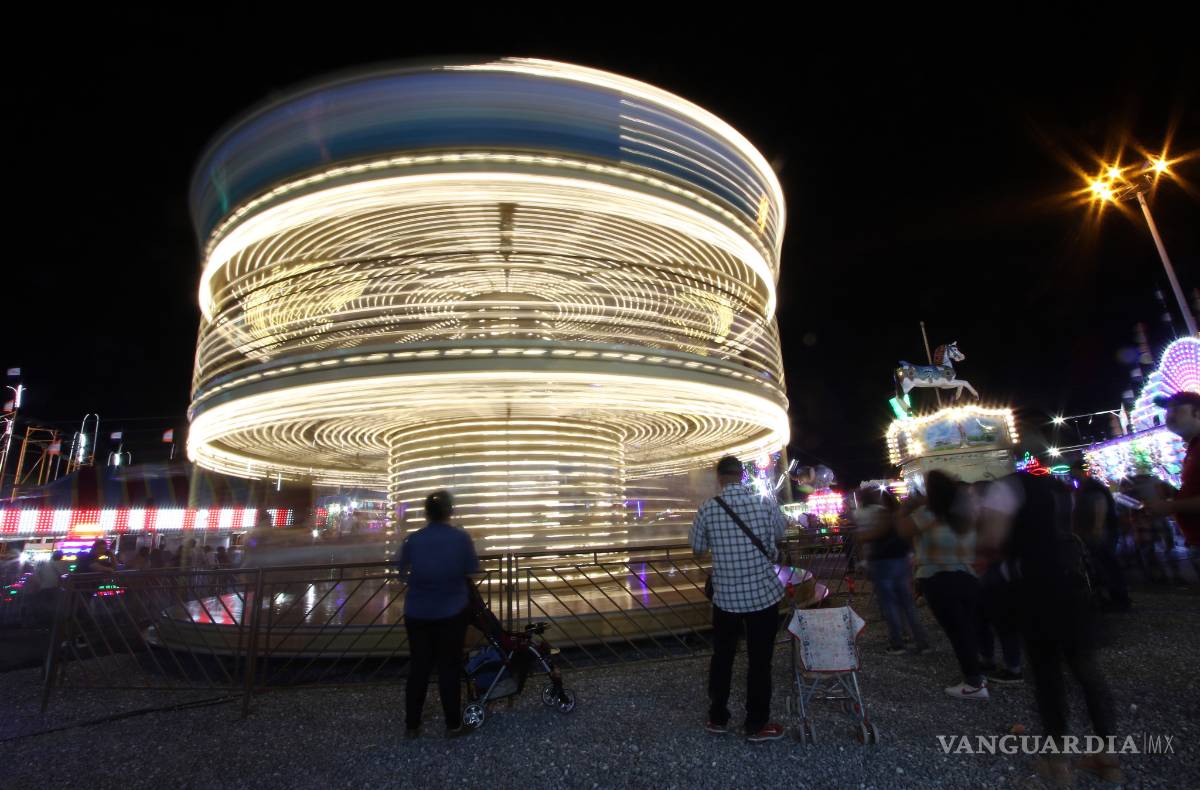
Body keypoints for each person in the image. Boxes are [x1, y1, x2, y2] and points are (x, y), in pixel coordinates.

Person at [980, 472, 1121, 786]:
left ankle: (1057, 762)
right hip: (1074, 585)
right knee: (1087, 672)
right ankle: (1107, 756)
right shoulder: (1059, 487)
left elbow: (991, 539)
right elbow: (1084, 530)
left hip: (1035, 589)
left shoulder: (1005, 488)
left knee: (1047, 675)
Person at [689, 455, 788, 742]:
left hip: (726, 599)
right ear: (742, 475)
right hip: (762, 596)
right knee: (760, 661)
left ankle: (718, 717)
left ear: (719, 477)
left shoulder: (708, 508)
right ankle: (756, 724)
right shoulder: (764, 503)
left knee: (722, 658)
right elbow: (780, 531)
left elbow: (697, 547)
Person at [396, 490, 480, 739]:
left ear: (426, 513)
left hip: (417, 612)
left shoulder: (413, 540)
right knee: (449, 668)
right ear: (450, 511)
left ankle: (412, 725)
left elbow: (401, 572)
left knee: (419, 668)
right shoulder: (460, 538)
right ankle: (453, 725)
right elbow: (472, 568)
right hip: (451, 612)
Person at [900, 470, 986, 700]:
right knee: (967, 627)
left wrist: (911, 505)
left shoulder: (928, 514)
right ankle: (977, 673)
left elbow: (903, 530)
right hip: (967, 575)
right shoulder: (964, 513)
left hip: (938, 576)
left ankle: (974, 682)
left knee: (957, 631)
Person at [855, 487, 929, 655]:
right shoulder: (900, 515)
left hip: (883, 561)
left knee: (889, 603)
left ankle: (898, 642)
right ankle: (921, 641)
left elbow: (873, 534)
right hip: (900, 559)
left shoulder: (882, 515)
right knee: (907, 602)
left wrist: (863, 539)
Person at [1146, 390, 1200, 580]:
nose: (1169, 415)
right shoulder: (1193, 449)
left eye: (1176, 409)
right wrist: (1176, 493)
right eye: (1167, 411)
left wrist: (1171, 506)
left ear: (1197, 413)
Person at [1070, 460, 1131, 610]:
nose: (1071, 474)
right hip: (1099, 529)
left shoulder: (1091, 487)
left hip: (1102, 530)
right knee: (1104, 562)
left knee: (1106, 562)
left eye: (1073, 470)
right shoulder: (1088, 485)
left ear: (1079, 470)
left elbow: (1100, 504)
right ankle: (1114, 597)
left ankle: (1118, 598)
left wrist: (1097, 527)